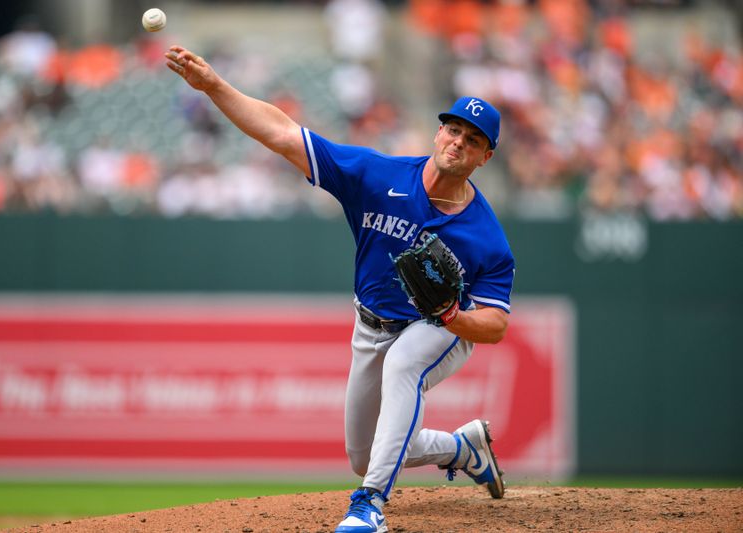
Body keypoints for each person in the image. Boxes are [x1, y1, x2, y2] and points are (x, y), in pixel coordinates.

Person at [166, 45, 514, 533]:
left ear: (485, 156)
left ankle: (369, 504)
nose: (458, 142)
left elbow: (496, 324)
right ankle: (463, 448)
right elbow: (284, 134)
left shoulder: (486, 237)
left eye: (473, 139)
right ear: (439, 132)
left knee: (404, 366)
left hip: (440, 326)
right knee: (363, 451)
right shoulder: (378, 176)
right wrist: (214, 87)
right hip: (371, 323)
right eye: (453, 129)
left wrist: (454, 317)